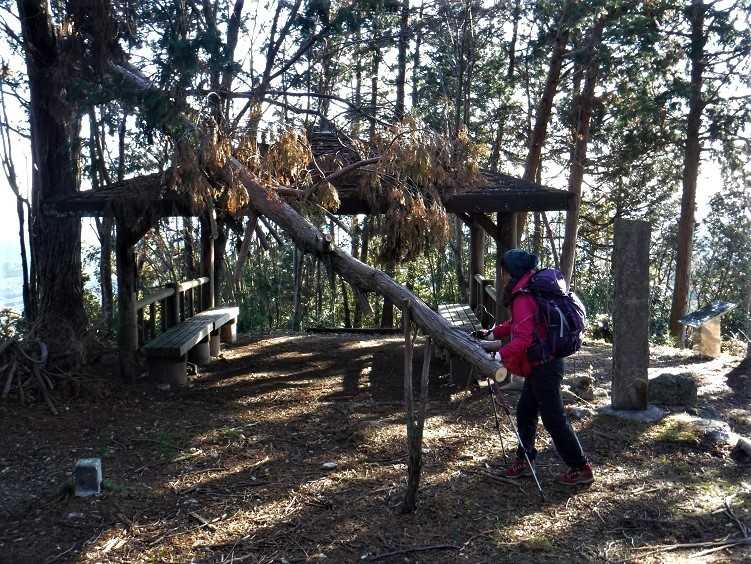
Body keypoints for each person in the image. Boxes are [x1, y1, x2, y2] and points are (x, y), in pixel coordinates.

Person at [477, 249, 593, 486]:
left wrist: (498, 356)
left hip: (544, 367)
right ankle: (525, 460)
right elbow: (519, 324)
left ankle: (581, 467)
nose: (502, 276)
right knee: (526, 412)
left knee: (553, 419)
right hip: (543, 363)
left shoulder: (523, 295)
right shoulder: (530, 288)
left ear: (513, 271)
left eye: (504, 271)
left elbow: (523, 339)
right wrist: (492, 333)